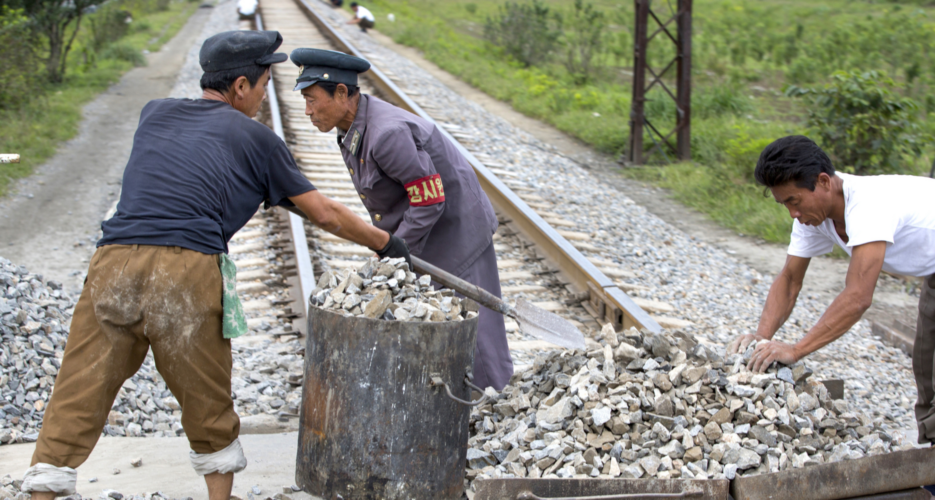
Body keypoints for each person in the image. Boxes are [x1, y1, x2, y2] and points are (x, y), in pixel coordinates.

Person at [21, 31, 409, 498]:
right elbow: (324, 213)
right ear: (241, 86)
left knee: (80, 386)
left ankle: (41, 491)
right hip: (185, 272)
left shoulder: (154, 113)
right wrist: (384, 241)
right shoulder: (257, 140)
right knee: (206, 393)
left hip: (113, 264)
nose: (266, 97)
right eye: (265, 84)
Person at [289, 47, 514, 391]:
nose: (307, 111)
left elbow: (429, 199)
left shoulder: (386, 134)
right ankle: (461, 406)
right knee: (441, 321)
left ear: (342, 93)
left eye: (311, 99)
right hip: (427, 232)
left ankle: (495, 404)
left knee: (476, 328)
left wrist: (397, 250)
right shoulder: (351, 128)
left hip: (457, 232)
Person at [727, 135, 935, 442]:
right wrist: (763, 339)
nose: (792, 214)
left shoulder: (869, 205)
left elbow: (858, 296)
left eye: (794, 201)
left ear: (823, 182)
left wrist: (796, 350)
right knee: (927, 368)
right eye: (784, 204)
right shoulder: (814, 216)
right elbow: (789, 280)